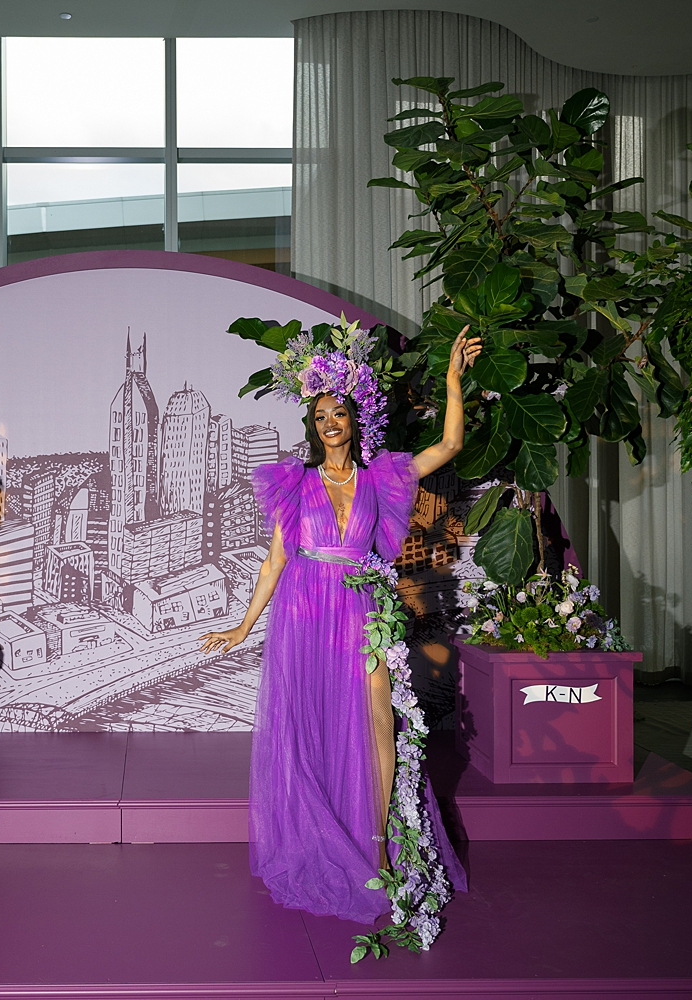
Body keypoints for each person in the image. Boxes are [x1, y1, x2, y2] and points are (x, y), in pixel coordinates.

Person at [199, 326, 481, 926]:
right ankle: (323, 829)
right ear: (313, 426)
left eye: (340, 412)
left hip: (361, 609)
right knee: (313, 724)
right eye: (321, 414)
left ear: (355, 421)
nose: (331, 422)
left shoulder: (380, 477)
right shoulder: (294, 484)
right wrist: (244, 626)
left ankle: (377, 846)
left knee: (378, 717)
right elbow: (276, 560)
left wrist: (454, 379)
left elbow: (451, 445)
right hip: (303, 614)